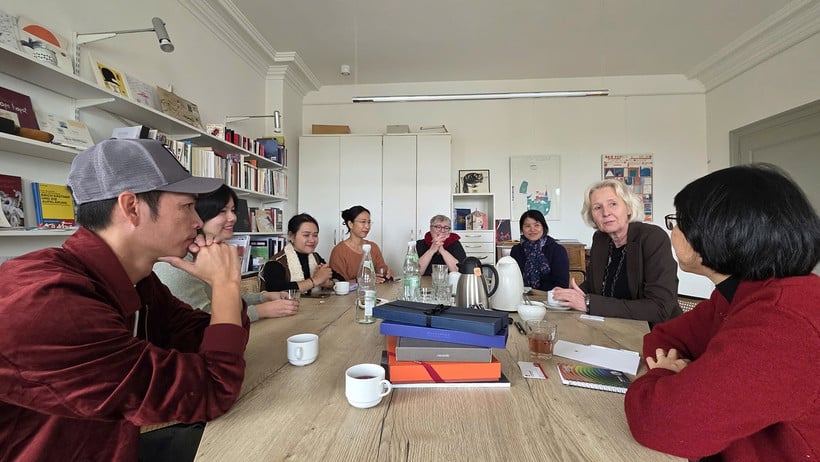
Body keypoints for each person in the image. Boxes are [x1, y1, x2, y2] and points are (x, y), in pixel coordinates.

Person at [0, 139, 250, 461]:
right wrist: (226, 286)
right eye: (187, 207)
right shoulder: (49, 303)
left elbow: (211, 340)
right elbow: (211, 389)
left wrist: (225, 295)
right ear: (131, 207)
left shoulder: (137, 279)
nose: (198, 222)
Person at [625, 164, 820, 461]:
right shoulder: (736, 295)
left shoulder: (784, 322)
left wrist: (669, 374)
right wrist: (689, 382)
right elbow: (663, 337)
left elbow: (660, 422)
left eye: (678, 221)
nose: (673, 231)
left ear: (718, 232)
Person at [154, 184, 298, 321]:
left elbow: (225, 299)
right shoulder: (178, 263)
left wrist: (262, 297)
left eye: (233, 210)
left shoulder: (210, 254)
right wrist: (262, 310)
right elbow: (203, 320)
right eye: (222, 211)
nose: (233, 218)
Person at [552, 179, 681, 324]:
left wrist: (588, 303)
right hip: (613, 326)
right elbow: (595, 286)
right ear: (592, 216)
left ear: (629, 208)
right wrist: (571, 294)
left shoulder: (652, 237)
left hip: (656, 334)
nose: (606, 212)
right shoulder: (601, 239)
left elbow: (659, 308)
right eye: (597, 207)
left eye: (613, 204)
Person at [260, 213, 343, 293]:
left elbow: (340, 279)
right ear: (291, 236)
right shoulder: (276, 262)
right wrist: (315, 280)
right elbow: (276, 290)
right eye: (306, 235)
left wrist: (328, 283)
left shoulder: (316, 257)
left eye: (315, 235)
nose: (312, 240)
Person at [329, 205, 394, 282]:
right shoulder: (339, 251)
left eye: (369, 222)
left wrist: (388, 273)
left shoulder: (373, 247)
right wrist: (363, 280)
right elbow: (338, 283)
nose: (367, 226)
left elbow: (381, 271)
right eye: (363, 222)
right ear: (350, 224)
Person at [510, 209, 569, 291]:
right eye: (527, 226)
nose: (532, 229)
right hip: (522, 297)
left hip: (550, 298)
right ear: (522, 229)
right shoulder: (516, 250)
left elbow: (562, 285)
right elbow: (512, 281)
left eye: (536, 225)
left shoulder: (558, 250)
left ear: (543, 227)